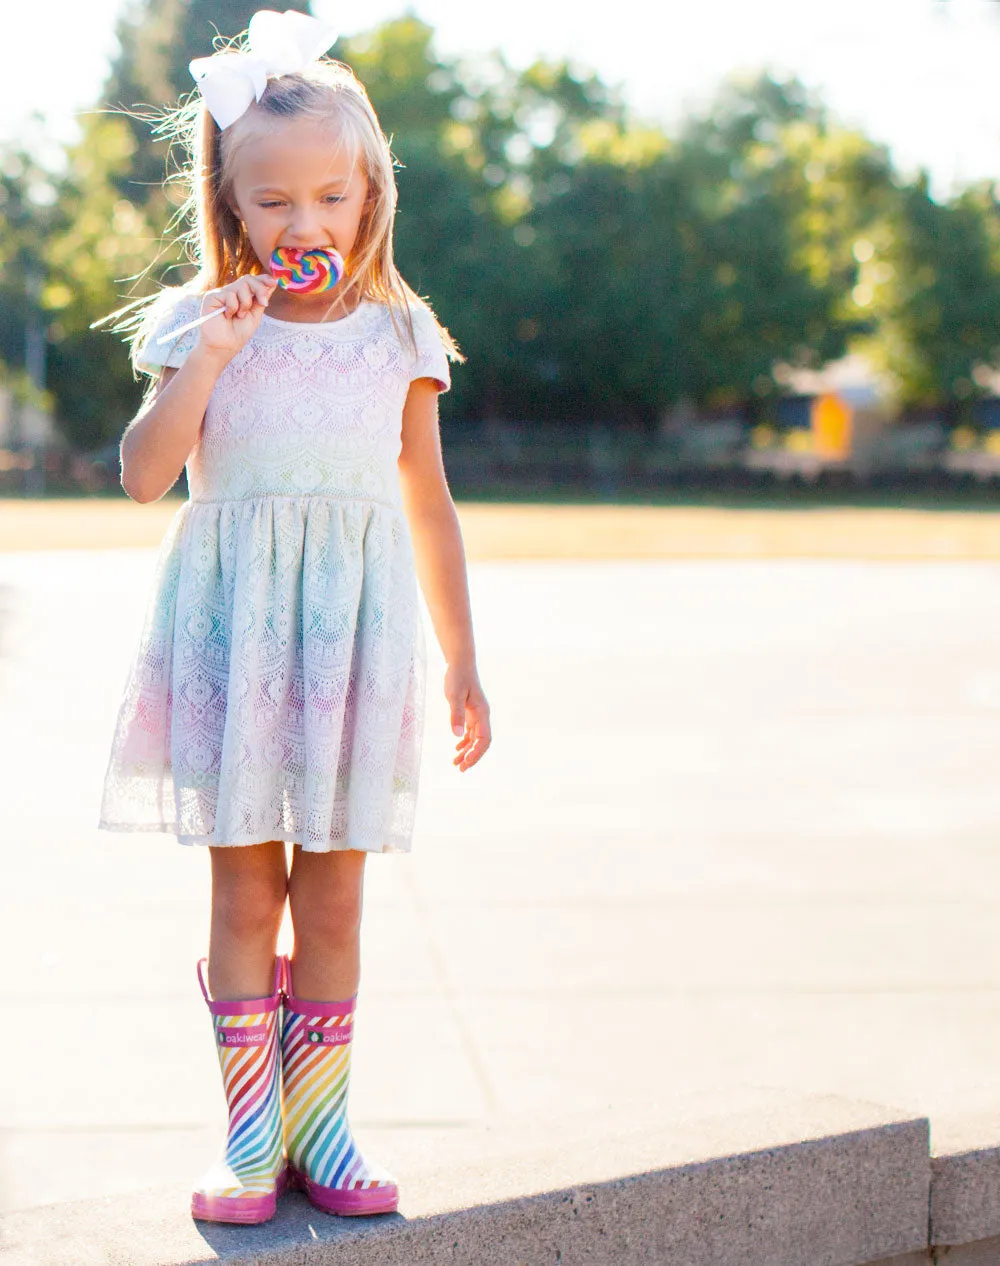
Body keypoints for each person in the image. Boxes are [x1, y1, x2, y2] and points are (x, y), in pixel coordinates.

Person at [95, 8, 492, 1226]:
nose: (304, 224)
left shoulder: (399, 337)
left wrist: (463, 657)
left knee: (333, 897)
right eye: (273, 203)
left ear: (369, 194)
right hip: (238, 646)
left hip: (354, 652)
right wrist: (206, 361)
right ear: (231, 208)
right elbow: (143, 473)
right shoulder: (200, 328)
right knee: (240, 896)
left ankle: (324, 1122)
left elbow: (426, 503)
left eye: (330, 196)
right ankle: (249, 1134)